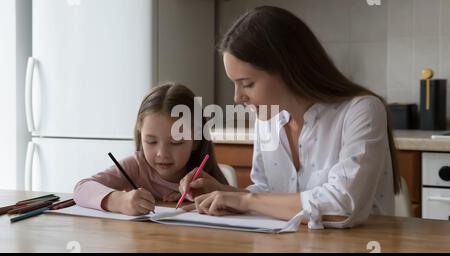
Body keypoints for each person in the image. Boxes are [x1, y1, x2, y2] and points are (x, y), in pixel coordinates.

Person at [179, 6, 400, 229]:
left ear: (287, 69)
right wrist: (225, 193)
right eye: (234, 84)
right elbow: (268, 196)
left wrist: (244, 200)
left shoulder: (361, 111)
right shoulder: (267, 118)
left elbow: (342, 208)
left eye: (248, 84)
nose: (237, 97)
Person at [74, 83, 227, 215]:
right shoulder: (136, 166)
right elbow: (81, 189)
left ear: (195, 141)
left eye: (176, 142)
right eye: (151, 141)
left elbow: (245, 204)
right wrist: (120, 201)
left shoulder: (206, 180)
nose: (162, 154)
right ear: (141, 136)